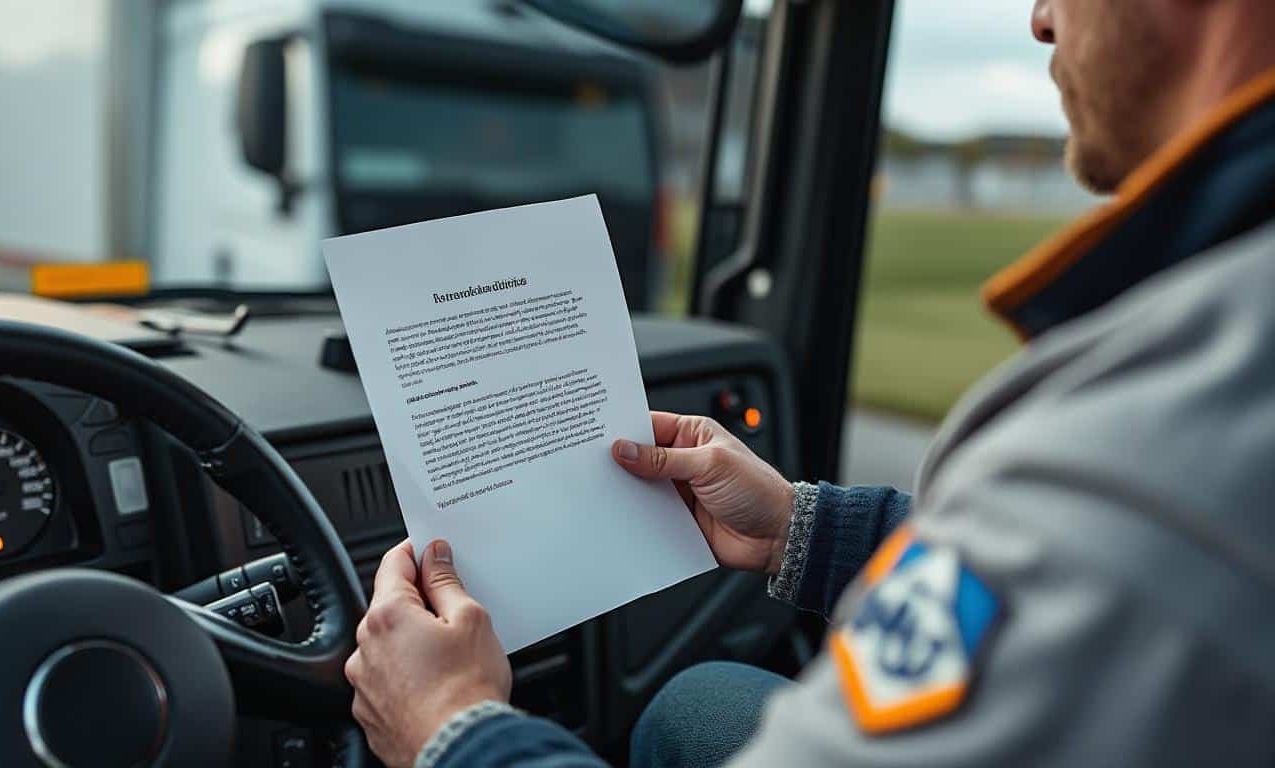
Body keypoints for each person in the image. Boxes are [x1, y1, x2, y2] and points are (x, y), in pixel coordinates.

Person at [345, 0, 1275, 764]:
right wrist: (806, 528)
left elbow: (1081, 552)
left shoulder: (1149, 439)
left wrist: (453, 732)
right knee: (699, 701)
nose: (1039, 20)